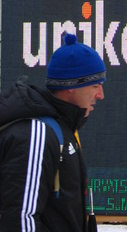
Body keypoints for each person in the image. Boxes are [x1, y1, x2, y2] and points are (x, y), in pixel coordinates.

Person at [0, 33, 106, 231]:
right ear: (71, 86)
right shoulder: (37, 134)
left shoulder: (63, 130)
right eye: (95, 86)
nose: (100, 95)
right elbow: (21, 219)